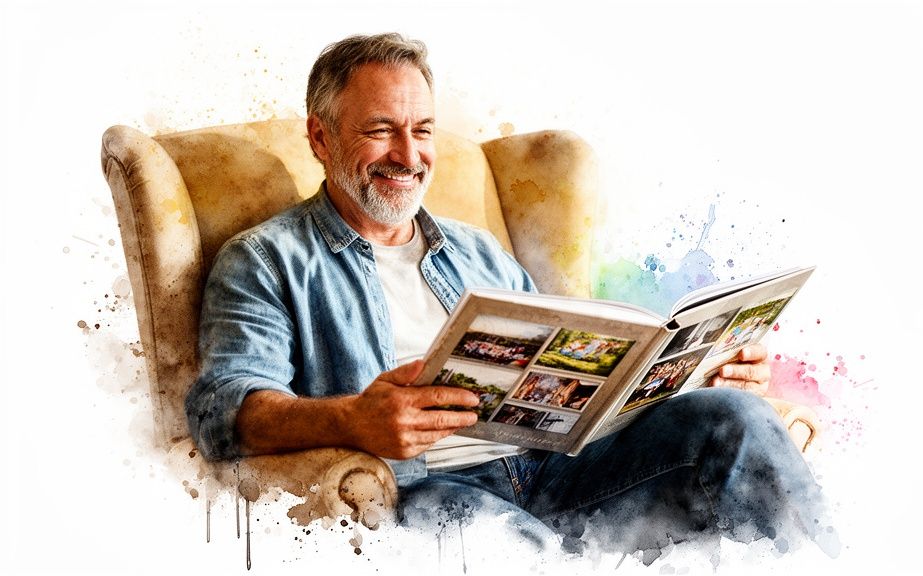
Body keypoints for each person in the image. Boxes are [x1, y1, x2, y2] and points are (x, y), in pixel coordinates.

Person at [185, 33, 836, 560]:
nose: (409, 155)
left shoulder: (478, 252)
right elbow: (224, 411)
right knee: (504, 540)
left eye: (423, 129)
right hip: (423, 489)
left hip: (555, 470)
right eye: (380, 130)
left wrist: (697, 367)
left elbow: (573, 386)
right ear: (321, 138)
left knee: (734, 419)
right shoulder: (265, 259)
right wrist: (351, 419)